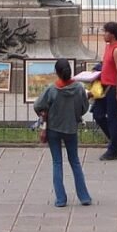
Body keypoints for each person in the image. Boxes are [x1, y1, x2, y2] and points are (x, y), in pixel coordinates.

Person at [32, 58, 92, 208]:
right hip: (71, 129)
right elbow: (84, 108)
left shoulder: (52, 89)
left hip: (53, 129)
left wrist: (44, 115)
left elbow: (37, 105)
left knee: (57, 162)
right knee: (75, 162)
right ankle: (84, 197)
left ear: (57, 73)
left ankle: (60, 199)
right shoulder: (79, 88)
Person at [92, 21, 117, 160]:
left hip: (114, 88)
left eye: (105, 32)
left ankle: (113, 149)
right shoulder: (108, 47)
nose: (104, 34)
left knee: (113, 119)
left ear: (112, 34)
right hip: (104, 86)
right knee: (98, 114)